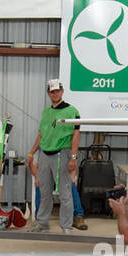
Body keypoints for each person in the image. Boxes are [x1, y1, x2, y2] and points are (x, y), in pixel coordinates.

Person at [27, 79, 86, 232]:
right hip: (44, 155)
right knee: (44, 191)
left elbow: (76, 135)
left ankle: (66, 227)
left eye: (57, 91)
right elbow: (41, 134)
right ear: (48, 93)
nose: (55, 93)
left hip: (62, 154)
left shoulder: (72, 111)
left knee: (65, 193)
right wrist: (32, 152)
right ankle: (42, 224)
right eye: (52, 91)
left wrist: (73, 158)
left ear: (62, 91)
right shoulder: (46, 112)